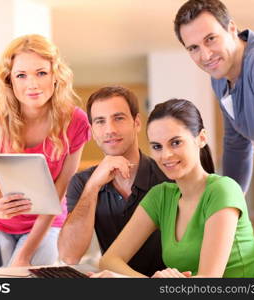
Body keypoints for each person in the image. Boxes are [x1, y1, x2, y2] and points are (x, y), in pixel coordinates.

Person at [173, 0, 254, 268]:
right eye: (193, 48)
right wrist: (225, 209)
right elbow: (236, 142)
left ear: (232, 28)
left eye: (211, 39)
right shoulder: (219, 77)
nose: (205, 55)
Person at [91, 99, 254, 278]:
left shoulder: (223, 190)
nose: (166, 155)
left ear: (201, 138)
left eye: (176, 143)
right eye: (157, 146)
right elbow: (109, 260)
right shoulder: (161, 196)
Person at [0, 34, 91, 267]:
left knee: (25, 275)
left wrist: (24, 254)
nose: (32, 84)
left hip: (47, 224)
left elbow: (58, 195)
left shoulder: (75, 121)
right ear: (9, 80)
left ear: (55, 75)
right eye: (21, 75)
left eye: (41, 73)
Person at [58, 86, 170, 276]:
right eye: (100, 121)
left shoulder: (167, 175)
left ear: (136, 123)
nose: (110, 129)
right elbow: (69, 256)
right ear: (92, 131)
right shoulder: (82, 182)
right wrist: (93, 186)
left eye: (118, 118)